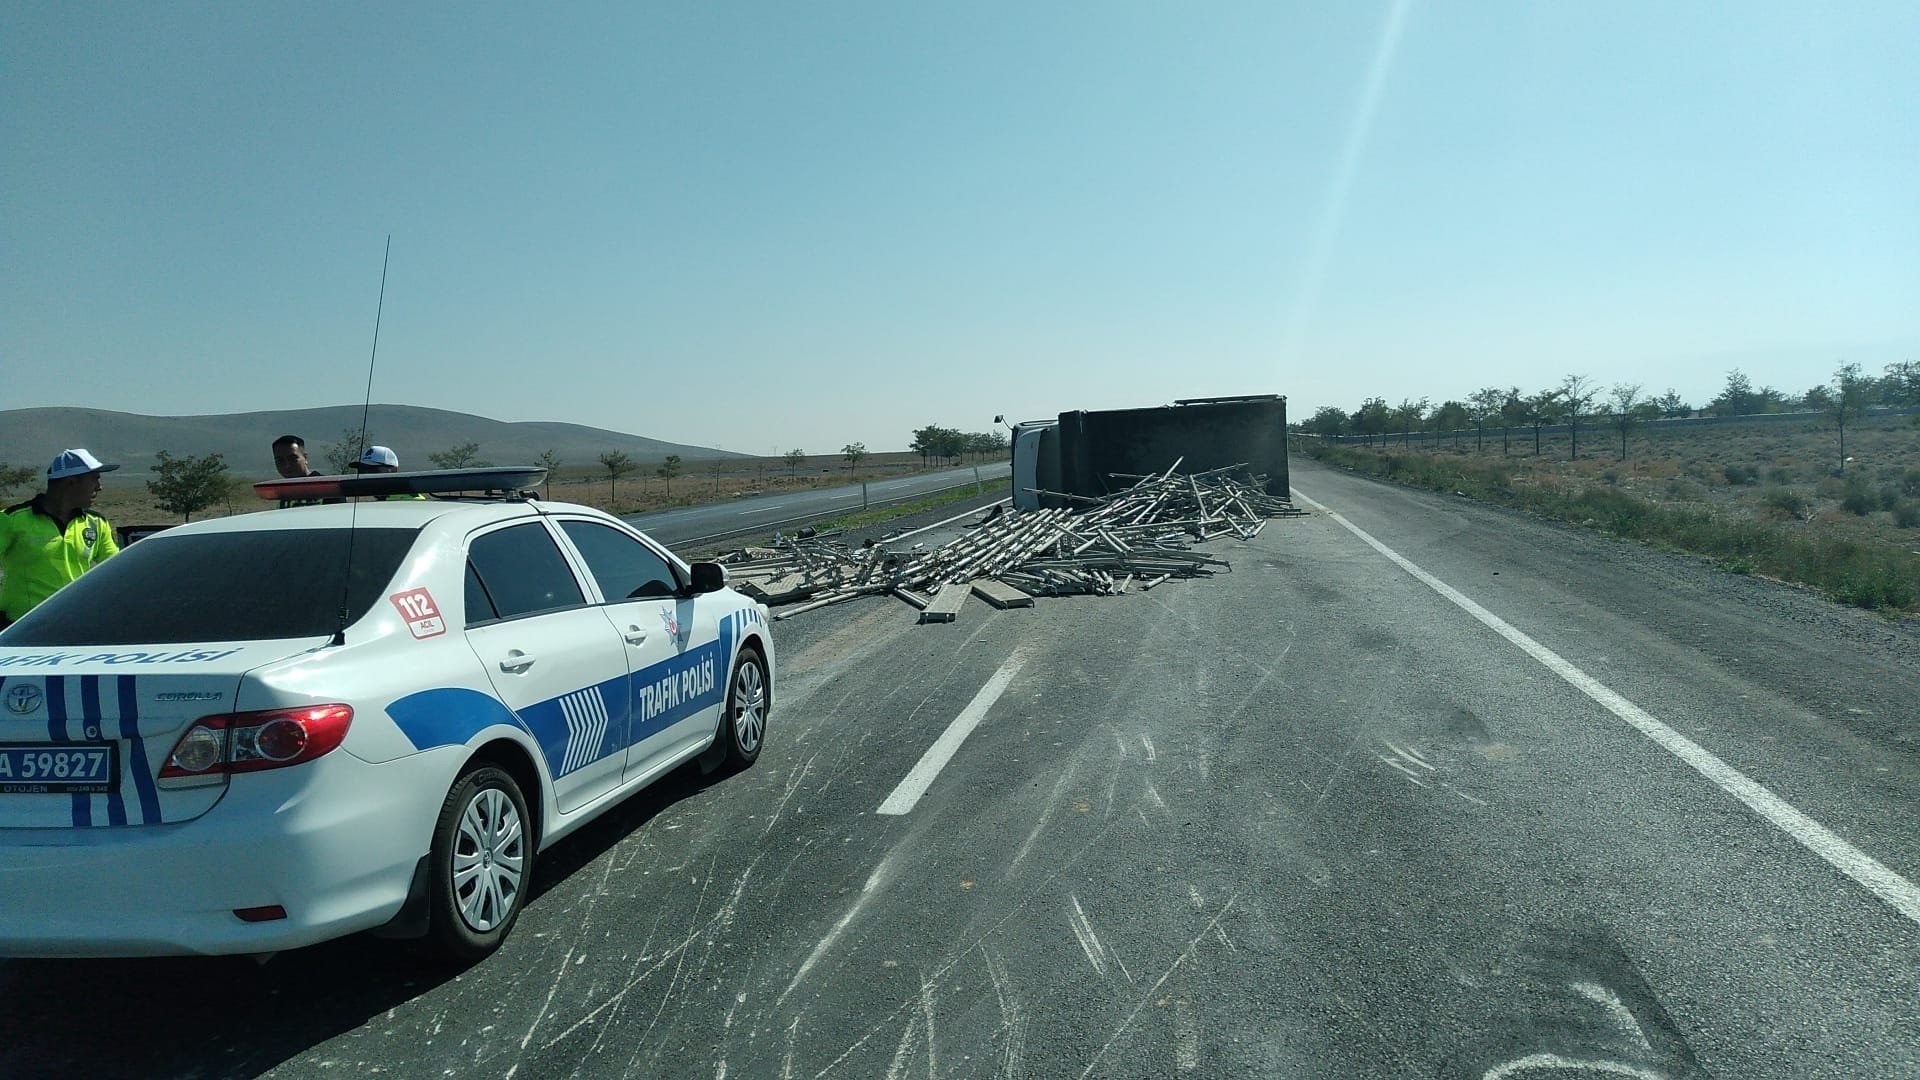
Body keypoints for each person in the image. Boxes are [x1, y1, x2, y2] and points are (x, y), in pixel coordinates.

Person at [0, 449, 122, 628]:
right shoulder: (11, 519)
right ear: (71, 482)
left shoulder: (97, 523)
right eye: (95, 479)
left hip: (76, 625)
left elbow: (116, 572)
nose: (99, 487)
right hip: (20, 629)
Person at [270, 433, 335, 509]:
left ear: (305, 458)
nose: (287, 465)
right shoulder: (278, 493)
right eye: (280, 460)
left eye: (292, 459)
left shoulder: (329, 488)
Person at [351, 445, 427, 500]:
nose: (365, 475)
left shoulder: (410, 502)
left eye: (372, 469)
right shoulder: (384, 501)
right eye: (361, 470)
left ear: (392, 470)